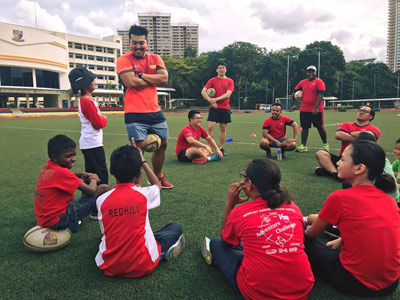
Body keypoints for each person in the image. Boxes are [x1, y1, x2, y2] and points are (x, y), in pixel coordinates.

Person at [201, 159, 314, 300]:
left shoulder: (241, 212)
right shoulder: (292, 207)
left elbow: (226, 239)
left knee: (217, 243)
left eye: (244, 177)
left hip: (258, 294)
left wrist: (230, 202)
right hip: (302, 291)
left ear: (249, 184)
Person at [305, 140, 400, 297]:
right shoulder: (388, 199)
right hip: (391, 283)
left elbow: (311, 235)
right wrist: (343, 239)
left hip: (355, 282)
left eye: (343, 159)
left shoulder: (340, 198)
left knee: (302, 239)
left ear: (359, 168)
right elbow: (373, 231)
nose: (337, 162)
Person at [95, 140, 185, 277]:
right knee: (174, 228)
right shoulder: (143, 194)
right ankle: (162, 253)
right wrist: (142, 160)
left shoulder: (102, 200)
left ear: (111, 170)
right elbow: (157, 185)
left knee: (114, 236)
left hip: (108, 265)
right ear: (139, 173)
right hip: (143, 264)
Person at [116, 25, 172, 189]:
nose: (138, 46)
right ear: (129, 42)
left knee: (164, 144)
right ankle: (138, 183)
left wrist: (141, 75)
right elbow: (130, 82)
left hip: (155, 111)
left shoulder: (155, 58)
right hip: (134, 113)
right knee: (138, 149)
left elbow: (164, 79)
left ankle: (157, 177)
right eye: (134, 43)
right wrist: (153, 78)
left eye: (141, 43)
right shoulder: (123, 60)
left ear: (147, 42)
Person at [34, 135, 108, 232]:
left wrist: (80, 174)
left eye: (74, 155)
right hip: (58, 219)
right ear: (55, 157)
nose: (74, 159)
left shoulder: (48, 167)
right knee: (103, 188)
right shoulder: (62, 172)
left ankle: (73, 222)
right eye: (69, 156)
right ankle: (96, 217)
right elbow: (91, 191)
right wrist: (93, 178)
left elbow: (61, 177)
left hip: (44, 219)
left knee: (69, 195)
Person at [315, 106, 380, 180]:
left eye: (365, 111)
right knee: (320, 153)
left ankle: (330, 172)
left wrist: (350, 133)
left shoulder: (374, 129)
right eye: (360, 110)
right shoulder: (347, 125)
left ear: (371, 116)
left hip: (360, 161)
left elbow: (370, 136)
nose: (361, 112)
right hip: (342, 159)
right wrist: (361, 136)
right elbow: (338, 135)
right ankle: (336, 174)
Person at [68, 67, 108, 186]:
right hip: (93, 143)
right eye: (92, 80)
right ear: (85, 84)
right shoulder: (87, 102)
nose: (94, 82)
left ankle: (90, 198)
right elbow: (98, 124)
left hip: (89, 142)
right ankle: (100, 197)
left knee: (92, 173)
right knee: (100, 174)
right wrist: (104, 119)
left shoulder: (86, 100)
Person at [291, 65, 328, 153]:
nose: (311, 73)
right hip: (304, 109)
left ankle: (325, 145)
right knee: (304, 128)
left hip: (316, 110)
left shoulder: (319, 82)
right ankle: (304, 146)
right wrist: (292, 104)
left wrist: (315, 108)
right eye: (309, 71)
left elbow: (320, 95)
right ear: (307, 73)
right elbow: (294, 92)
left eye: (312, 71)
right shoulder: (302, 82)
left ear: (315, 72)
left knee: (320, 127)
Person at [201, 61, 234, 156]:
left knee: (223, 129)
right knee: (210, 128)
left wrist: (215, 99)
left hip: (225, 108)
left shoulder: (230, 81)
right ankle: (209, 148)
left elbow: (228, 94)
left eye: (223, 68)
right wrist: (210, 100)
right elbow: (203, 91)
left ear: (226, 69)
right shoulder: (212, 80)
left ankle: (221, 148)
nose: (221, 69)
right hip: (214, 108)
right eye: (220, 68)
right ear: (217, 70)